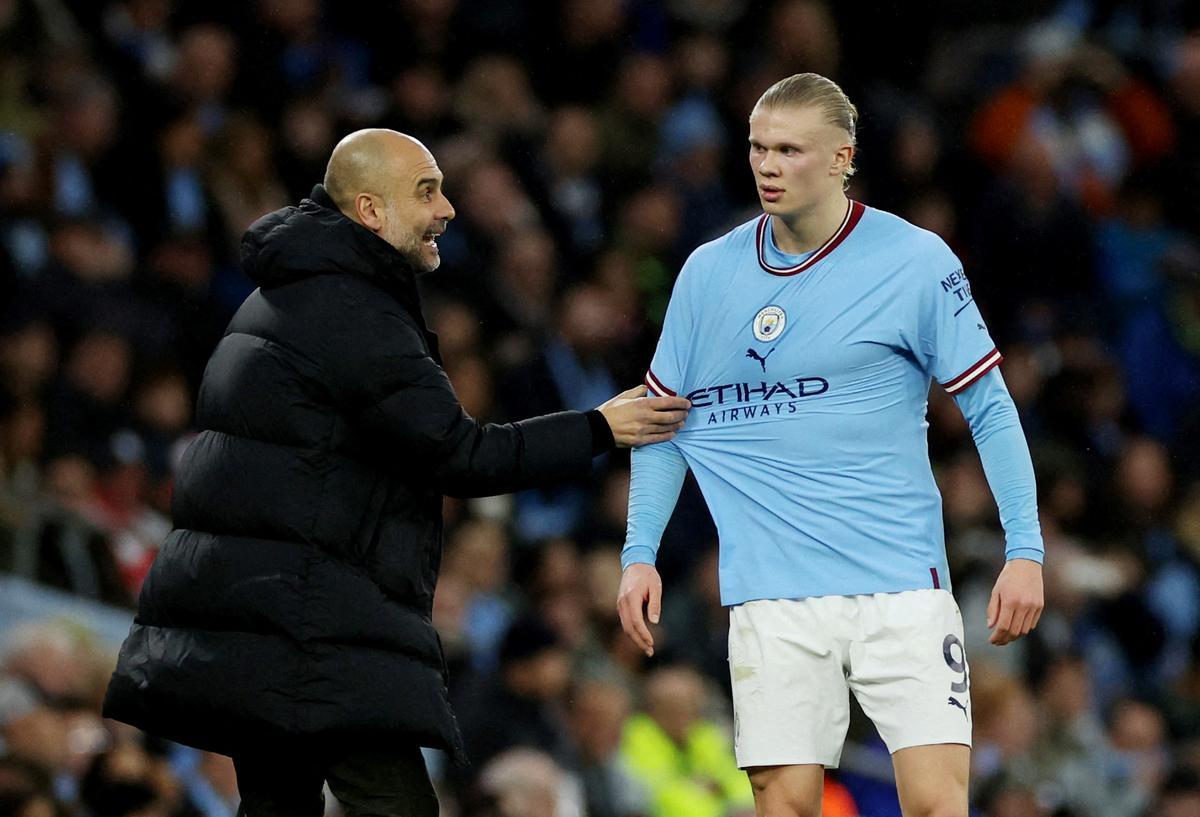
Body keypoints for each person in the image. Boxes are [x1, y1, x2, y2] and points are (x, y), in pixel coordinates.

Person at [102, 128, 691, 817]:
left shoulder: (282, 297)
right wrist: (597, 427)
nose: (447, 209)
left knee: (277, 805)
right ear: (370, 211)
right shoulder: (354, 311)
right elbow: (459, 454)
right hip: (312, 628)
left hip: (261, 619)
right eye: (426, 190)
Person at [616, 74, 1045, 817]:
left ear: (842, 156)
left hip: (902, 582)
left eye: (789, 149)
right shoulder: (707, 274)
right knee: (783, 805)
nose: (767, 165)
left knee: (938, 804)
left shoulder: (913, 261)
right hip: (771, 593)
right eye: (757, 147)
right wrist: (637, 553)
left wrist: (1026, 551)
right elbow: (662, 424)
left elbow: (989, 407)